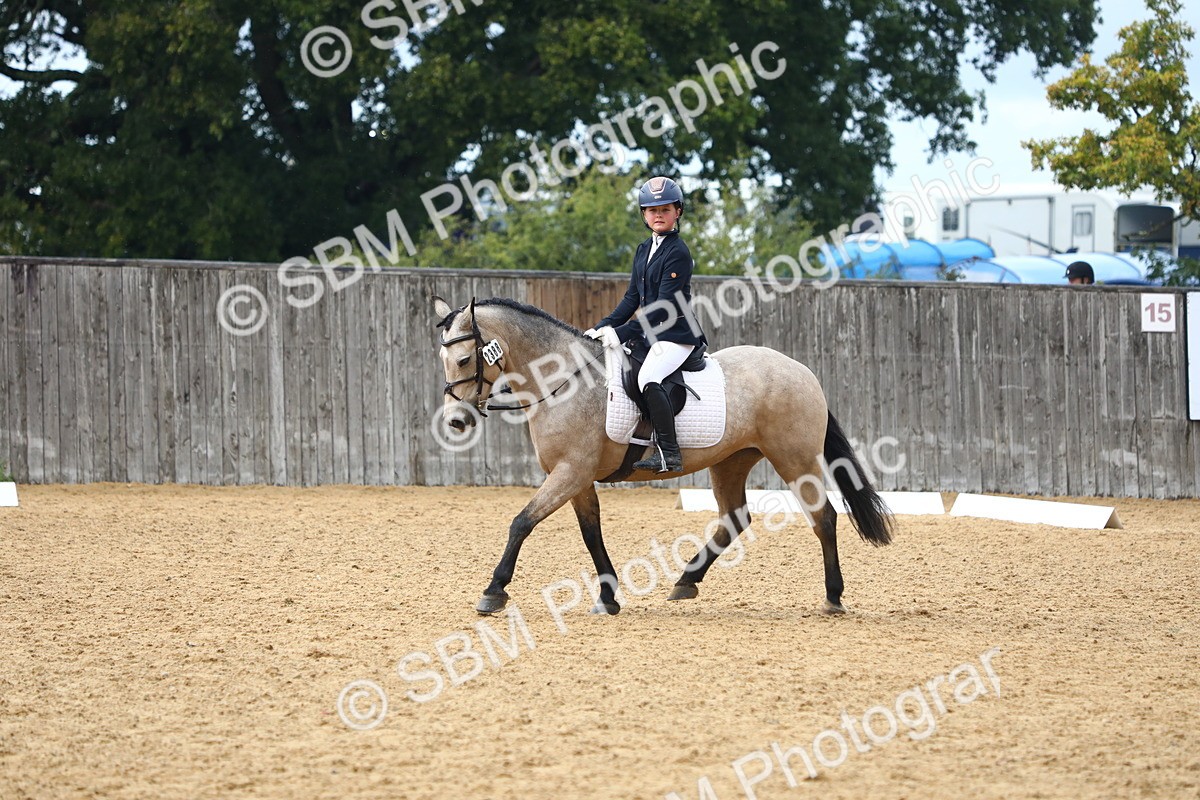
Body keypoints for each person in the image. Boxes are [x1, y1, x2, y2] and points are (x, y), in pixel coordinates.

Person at [585, 176, 708, 474]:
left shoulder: (678, 251)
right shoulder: (643, 249)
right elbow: (631, 299)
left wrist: (622, 332)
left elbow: (662, 307)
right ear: (644, 214)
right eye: (652, 210)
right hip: (651, 335)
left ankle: (670, 453)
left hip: (676, 334)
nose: (658, 215)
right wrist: (602, 327)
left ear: (677, 212)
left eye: (665, 209)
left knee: (649, 378)